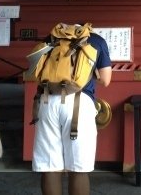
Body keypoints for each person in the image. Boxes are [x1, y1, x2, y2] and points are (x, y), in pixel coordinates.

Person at [32, 24, 112, 195]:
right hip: (79, 103)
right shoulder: (96, 40)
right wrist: (82, 77)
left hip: (47, 100)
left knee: (50, 166)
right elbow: (105, 80)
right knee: (78, 167)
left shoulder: (53, 38)